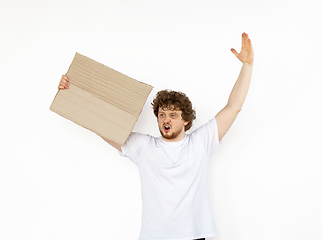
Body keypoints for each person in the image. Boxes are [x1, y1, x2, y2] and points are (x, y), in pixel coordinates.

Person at [58, 32, 254, 240]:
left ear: (185, 120)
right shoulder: (143, 146)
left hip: (194, 235)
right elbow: (103, 124)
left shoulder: (201, 143)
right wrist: (71, 91)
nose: (165, 119)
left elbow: (233, 107)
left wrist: (247, 66)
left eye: (172, 114)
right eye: (161, 114)